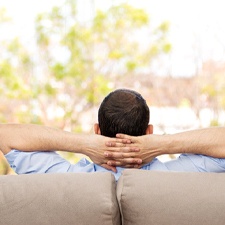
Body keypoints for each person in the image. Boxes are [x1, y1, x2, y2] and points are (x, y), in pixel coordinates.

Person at [2, 89, 225, 181]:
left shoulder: (67, 179)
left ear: (96, 131)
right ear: (149, 132)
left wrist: (83, 144)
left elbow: (4, 135)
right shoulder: (176, 178)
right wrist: (162, 144)